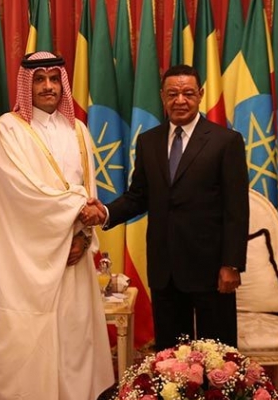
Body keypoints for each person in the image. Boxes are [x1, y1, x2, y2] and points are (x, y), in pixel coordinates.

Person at [0, 51, 114, 400]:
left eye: (54, 78)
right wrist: (75, 213)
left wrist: (83, 235)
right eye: (39, 79)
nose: (48, 86)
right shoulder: (9, 130)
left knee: (74, 342)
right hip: (25, 264)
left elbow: (90, 192)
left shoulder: (78, 131)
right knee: (29, 348)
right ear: (27, 84)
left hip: (73, 260)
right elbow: (23, 195)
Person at [84, 64, 249, 351]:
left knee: (218, 355)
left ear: (200, 95)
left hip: (211, 269)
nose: (180, 100)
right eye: (172, 94)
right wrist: (106, 212)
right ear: (162, 96)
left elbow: (237, 209)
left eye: (188, 93)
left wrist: (231, 264)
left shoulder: (226, 141)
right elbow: (138, 196)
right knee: (170, 356)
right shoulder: (148, 141)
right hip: (165, 268)